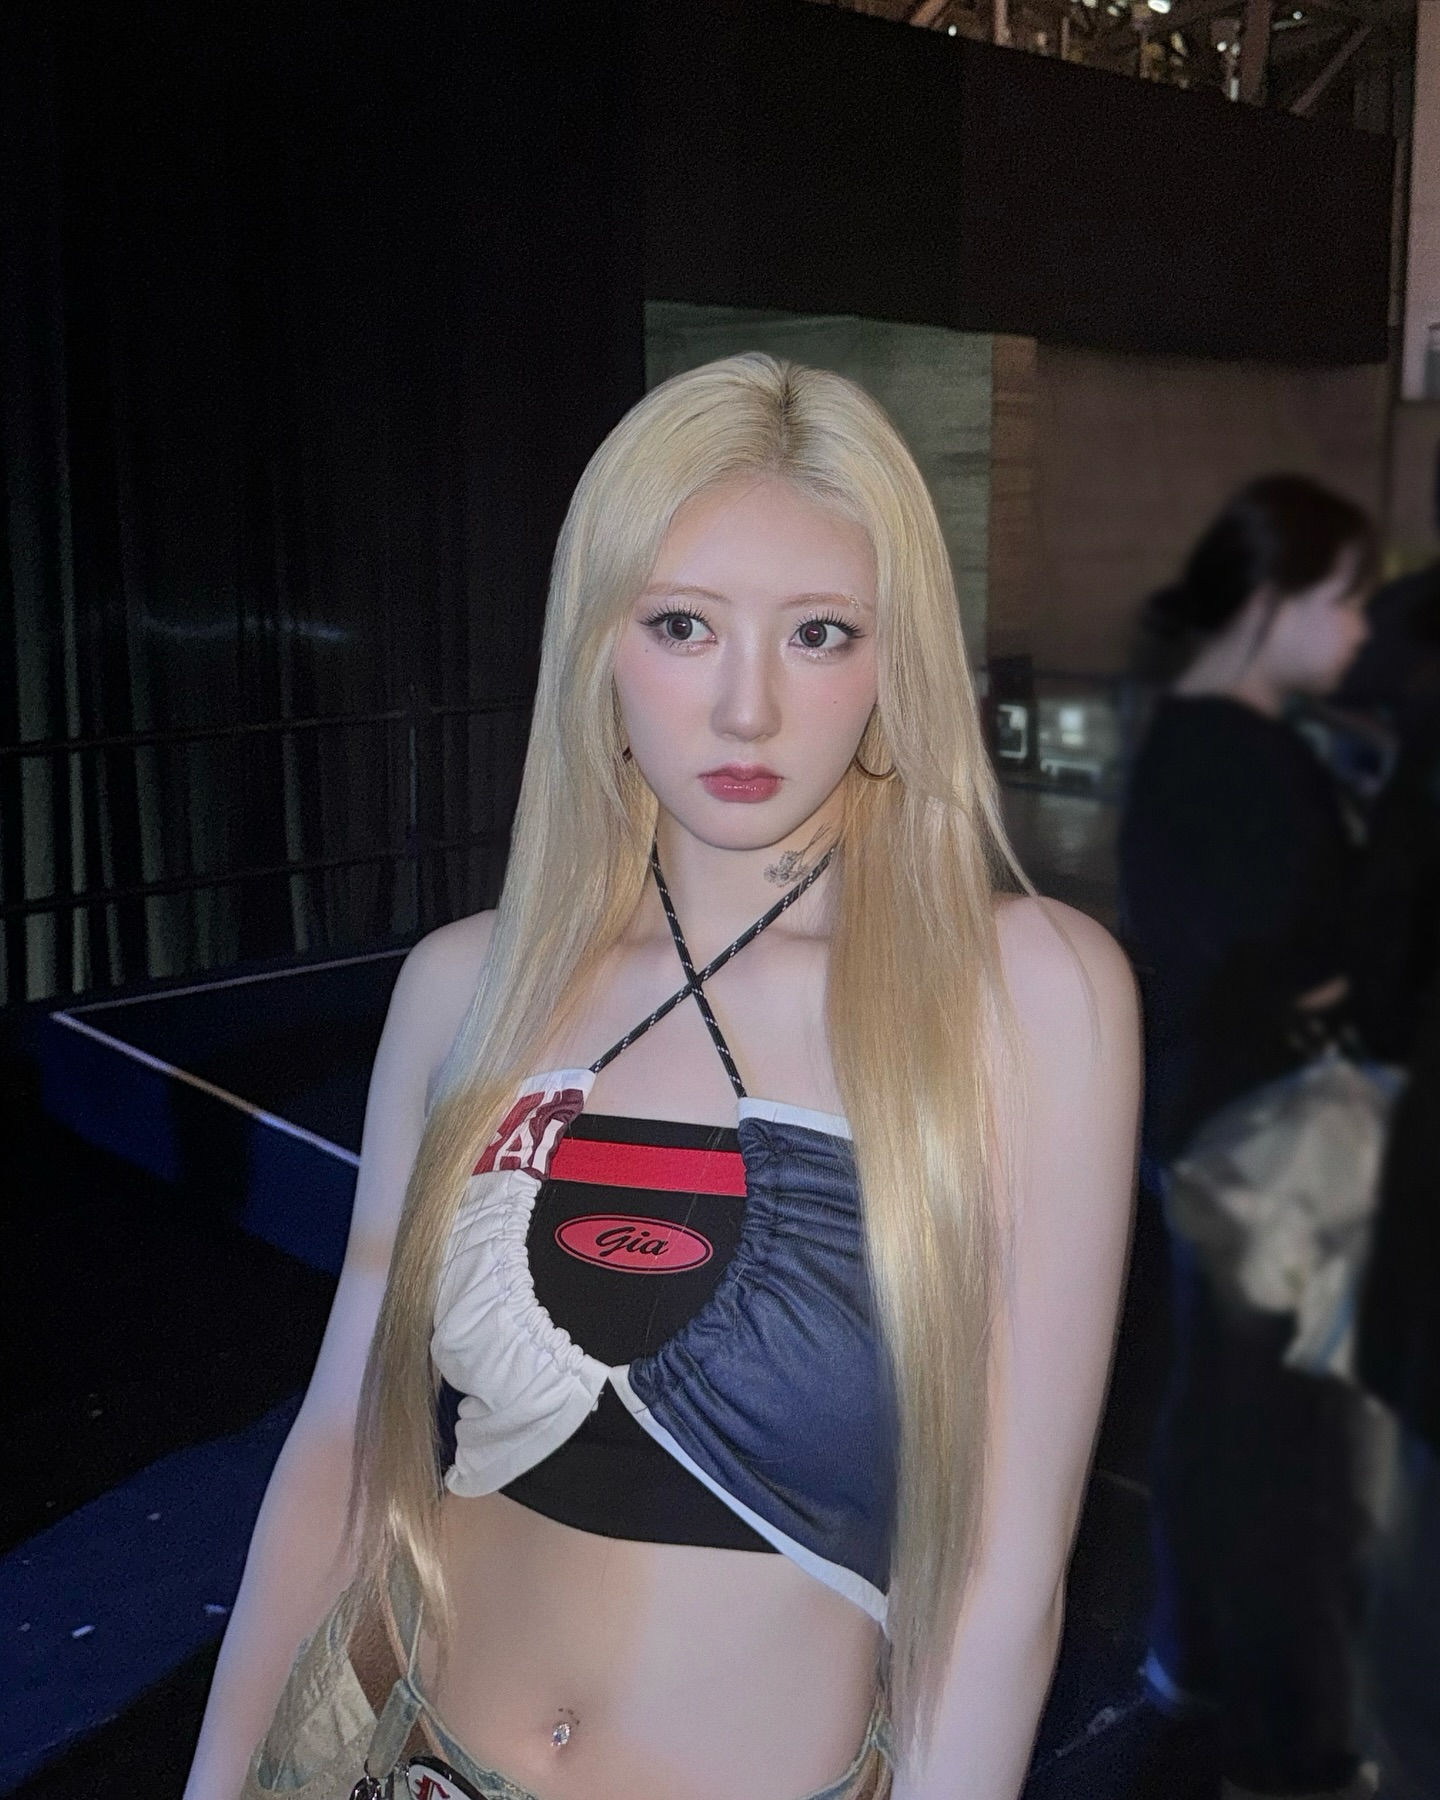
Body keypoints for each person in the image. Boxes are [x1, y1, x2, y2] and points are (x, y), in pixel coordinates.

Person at [183, 354, 1139, 1800]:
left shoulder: (1027, 995)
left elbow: (1005, 1578)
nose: (748, 708)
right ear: (599, 643)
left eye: (819, 633)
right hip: (414, 1754)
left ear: (898, 661)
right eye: (683, 624)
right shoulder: (471, 985)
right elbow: (342, 1457)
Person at [1119, 474, 1378, 1799]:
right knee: (1283, 1441)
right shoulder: (1240, 754)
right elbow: (1290, 956)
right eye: (1344, 600)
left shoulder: (1191, 733)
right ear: (1272, 600)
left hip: (1212, 1120)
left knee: (1226, 1411)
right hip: (1271, 1134)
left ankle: (1196, 1666)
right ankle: (1281, 1737)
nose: (1358, 630)